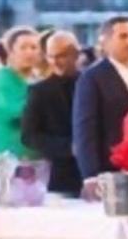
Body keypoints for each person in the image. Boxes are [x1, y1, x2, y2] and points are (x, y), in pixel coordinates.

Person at [72, 15, 128, 180]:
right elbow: (85, 130)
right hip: (112, 168)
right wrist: (91, 176)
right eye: (123, 36)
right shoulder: (93, 77)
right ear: (106, 41)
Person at [23, 31, 83, 195]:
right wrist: (67, 147)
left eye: (62, 56)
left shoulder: (92, 83)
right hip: (60, 174)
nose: (55, 62)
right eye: (51, 56)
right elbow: (29, 135)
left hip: (95, 170)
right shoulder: (39, 91)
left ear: (76, 54)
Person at [0, 27, 39, 162]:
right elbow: (9, 111)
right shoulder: (0, 77)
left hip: (35, 156)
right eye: (23, 47)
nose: (29, 52)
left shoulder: (40, 79)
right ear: (10, 51)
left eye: (34, 47)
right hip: (4, 156)